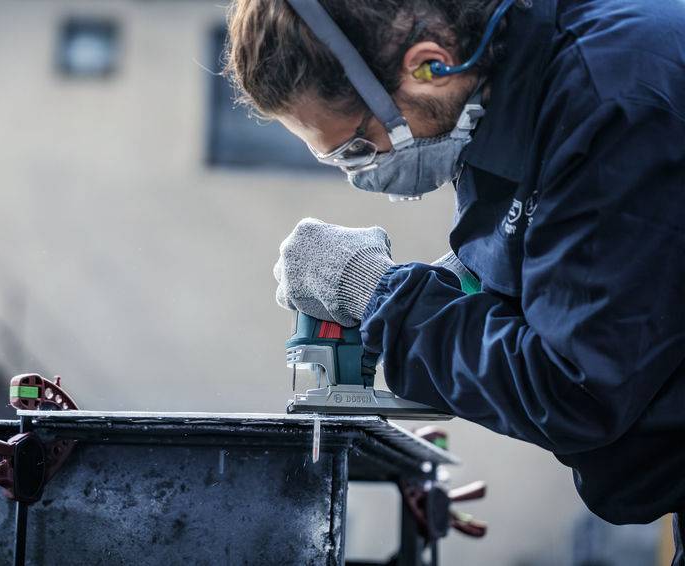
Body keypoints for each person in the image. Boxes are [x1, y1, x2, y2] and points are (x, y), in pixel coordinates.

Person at [224, 0, 685, 561]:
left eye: (360, 145)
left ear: (428, 66)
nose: (365, 171)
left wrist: (379, 296)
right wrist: (432, 299)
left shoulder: (613, 96)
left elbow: (577, 384)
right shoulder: (515, 91)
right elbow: (544, 273)